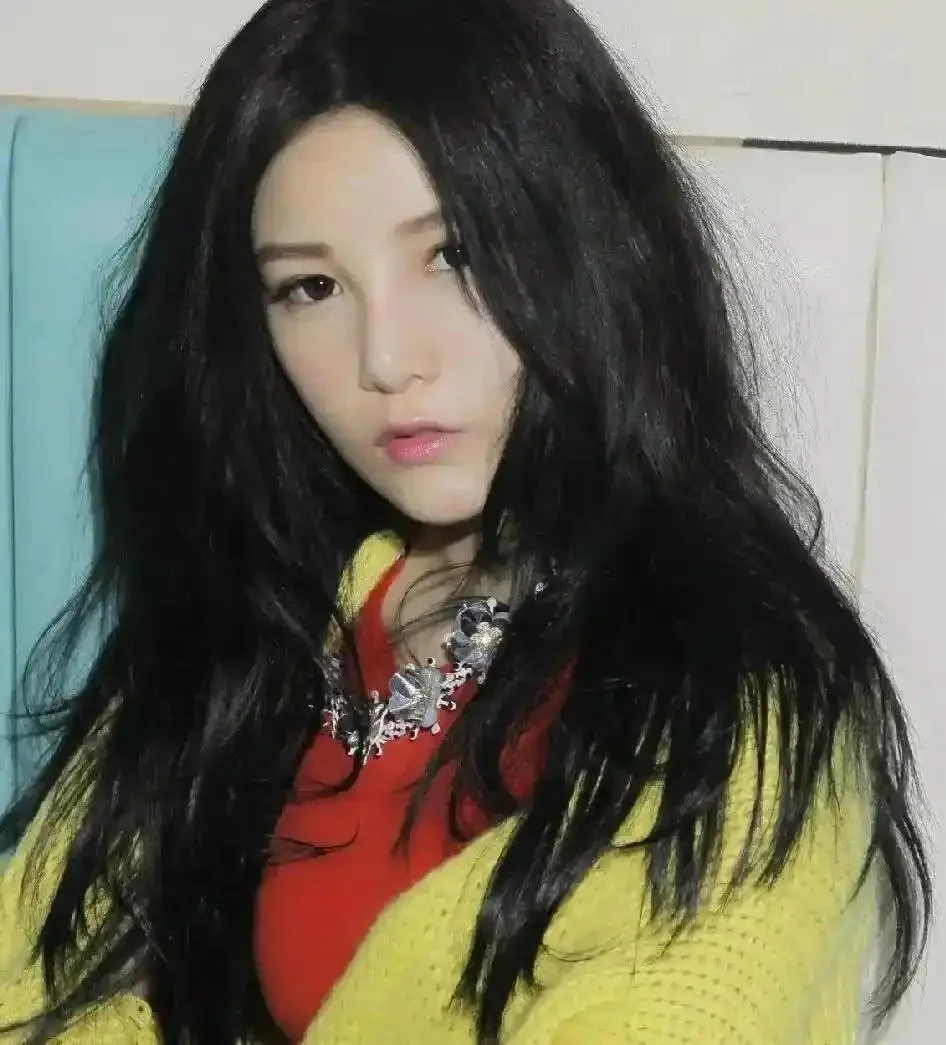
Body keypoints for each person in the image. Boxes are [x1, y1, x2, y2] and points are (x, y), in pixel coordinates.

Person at [0, 0, 932, 1042]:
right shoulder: (265, 623)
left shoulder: (735, 704)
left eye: (454, 255)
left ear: (592, 252)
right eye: (312, 286)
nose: (387, 358)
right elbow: (36, 972)